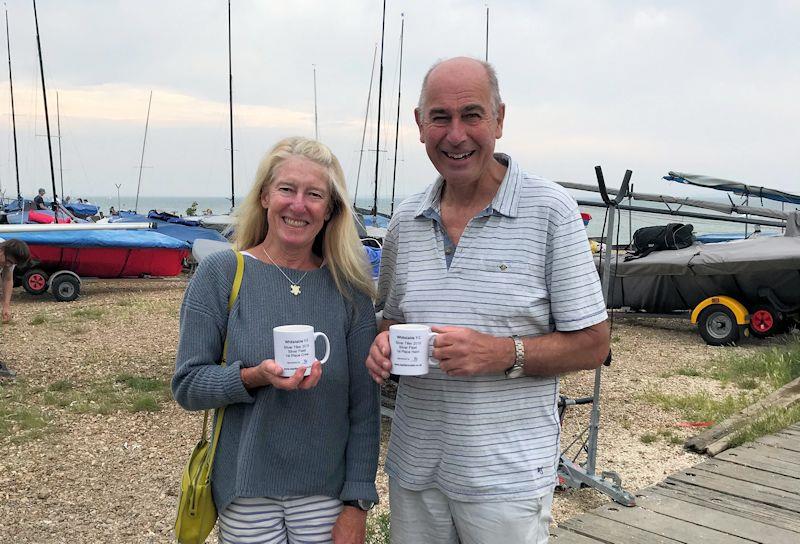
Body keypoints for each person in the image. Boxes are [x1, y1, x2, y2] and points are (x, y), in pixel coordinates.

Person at [365, 57, 610, 544]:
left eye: (471, 115)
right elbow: (389, 322)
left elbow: (594, 344)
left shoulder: (550, 211)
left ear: (499, 119)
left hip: (507, 479)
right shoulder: (405, 220)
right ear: (419, 125)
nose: (456, 135)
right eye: (440, 117)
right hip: (414, 469)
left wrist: (502, 353)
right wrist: (383, 349)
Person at [172, 136, 380, 544]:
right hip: (244, 489)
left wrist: (358, 503)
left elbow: (365, 408)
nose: (298, 205)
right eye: (287, 189)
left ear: (331, 210)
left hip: (327, 494)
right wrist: (253, 377)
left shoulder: (349, 289)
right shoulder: (220, 274)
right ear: (265, 195)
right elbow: (188, 387)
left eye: (314, 194)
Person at [0, 239, 31, 324]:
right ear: (1, 250)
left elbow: (7, 279)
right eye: (9, 261)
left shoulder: (8, 255)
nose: (8, 265)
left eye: (13, 263)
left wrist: (6, 306)